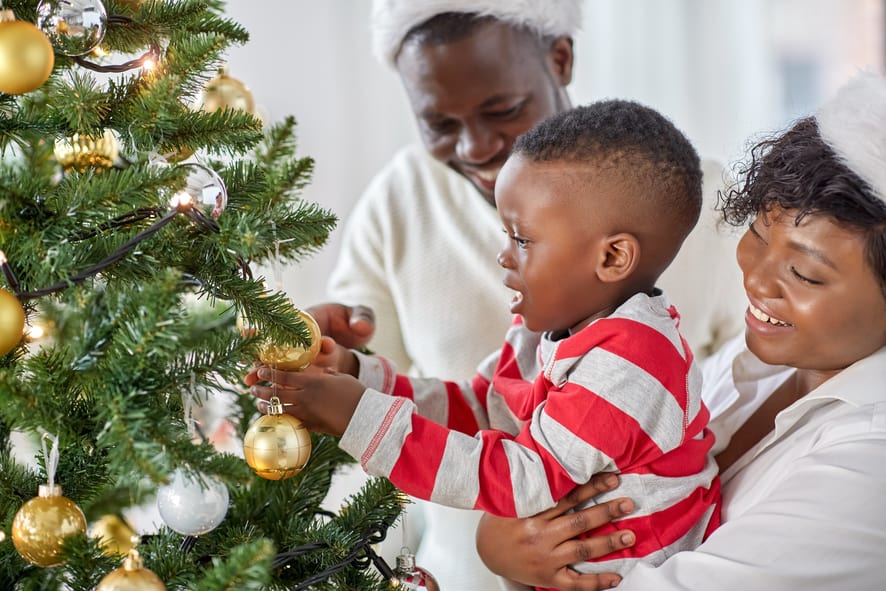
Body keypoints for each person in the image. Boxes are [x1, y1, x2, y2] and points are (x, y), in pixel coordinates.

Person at [310, 1, 746, 587]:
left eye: (521, 239)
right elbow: (481, 406)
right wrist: (357, 376)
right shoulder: (551, 328)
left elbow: (519, 479)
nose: (474, 146)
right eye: (440, 124)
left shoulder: (630, 360)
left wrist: (357, 416)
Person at [472, 71, 886, 591]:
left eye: (804, 273)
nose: (755, 279)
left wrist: (505, 546)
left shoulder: (870, 469)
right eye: (757, 233)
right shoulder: (758, 360)